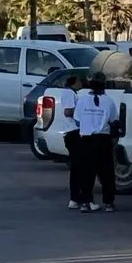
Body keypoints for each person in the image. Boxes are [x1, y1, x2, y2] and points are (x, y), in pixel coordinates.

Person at [74, 72, 119, 213]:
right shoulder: (109, 101)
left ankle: (85, 203)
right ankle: (109, 203)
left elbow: (77, 120)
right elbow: (114, 121)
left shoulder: (81, 100)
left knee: (86, 173)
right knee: (106, 174)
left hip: (86, 140)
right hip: (103, 140)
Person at [60, 75, 83, 210]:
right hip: (73, 132)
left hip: (74, 132)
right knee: (77, 167)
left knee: (78, 166)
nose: (81, 83)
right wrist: (82, 110)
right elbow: (68, 112)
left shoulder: (72, 93)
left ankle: (77, 196)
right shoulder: (69, 93)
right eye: (79, 81)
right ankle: (75, 197)